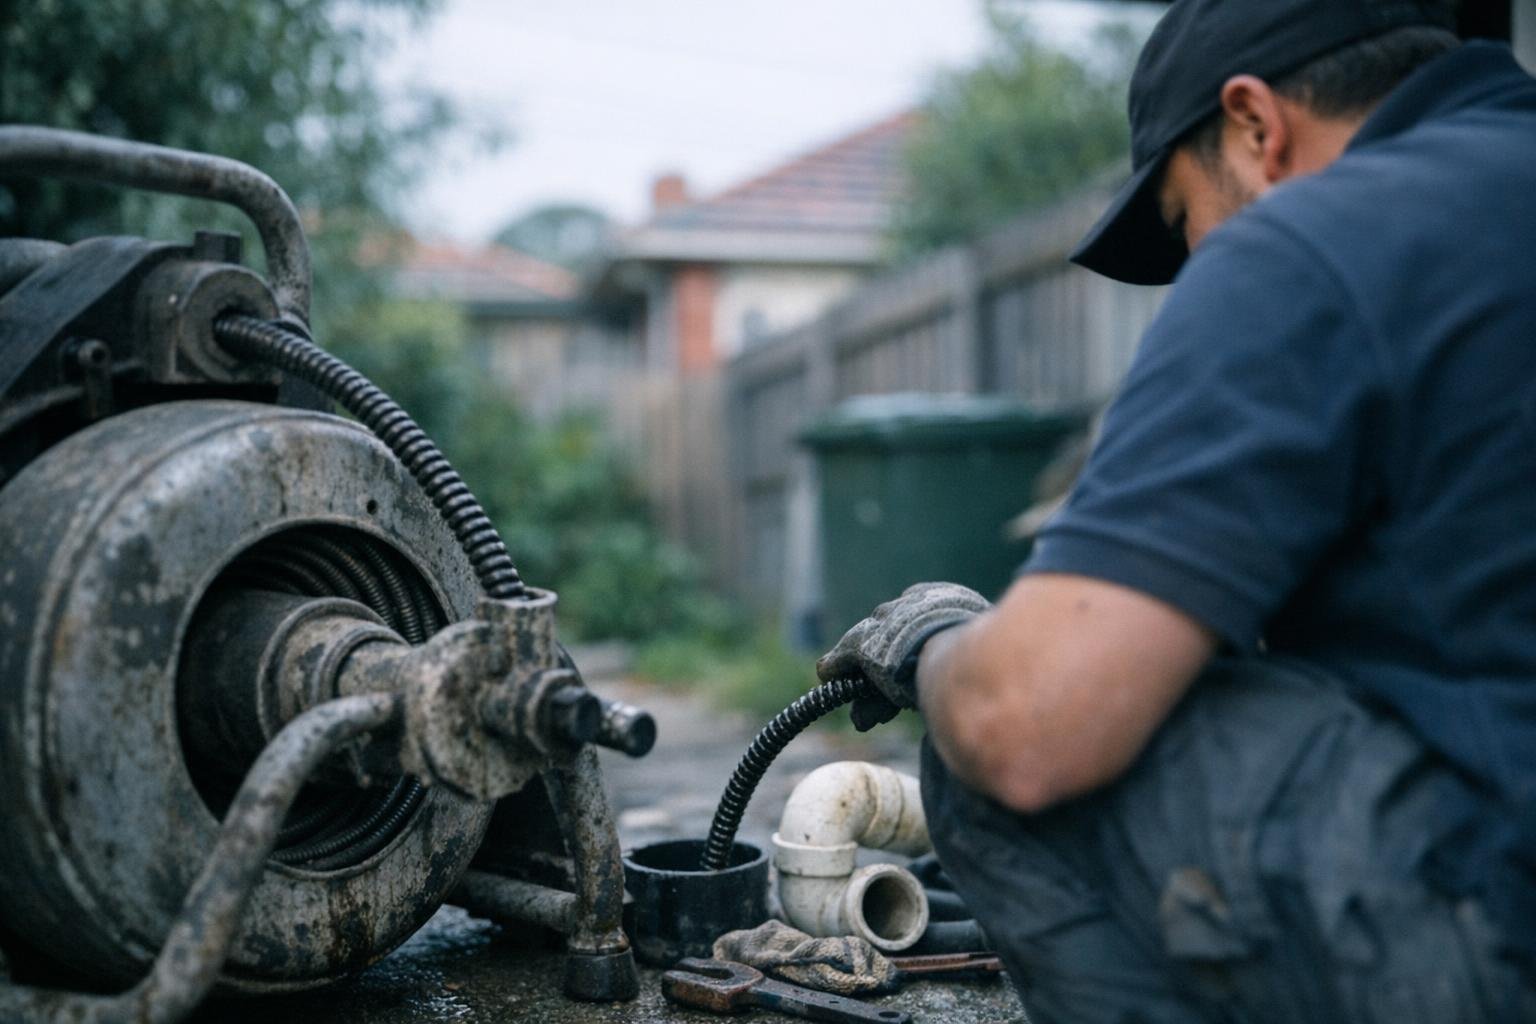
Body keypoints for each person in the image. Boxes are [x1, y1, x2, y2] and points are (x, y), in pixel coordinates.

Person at [816, 1, 1536, 1020]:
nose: (1199, 264)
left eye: (1184, 219)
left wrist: (934, 640)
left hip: (1504, 940)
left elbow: (1032, 719)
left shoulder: (1316, 238)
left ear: (1254, 125)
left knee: (986, 739)